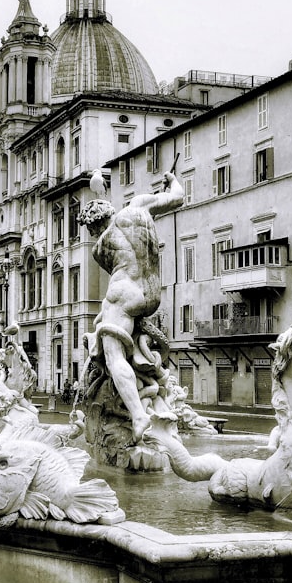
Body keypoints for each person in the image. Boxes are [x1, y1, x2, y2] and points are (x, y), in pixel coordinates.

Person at [78, 166, 184, 441]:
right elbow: (177, 197)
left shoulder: (98, 247)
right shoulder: (137, 206)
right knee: (106, 324)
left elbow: (117, 274)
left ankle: (139, 417)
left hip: (124, 293)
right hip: (151, 293)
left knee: (112, 354)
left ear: (93, 226)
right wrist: (171, 180)